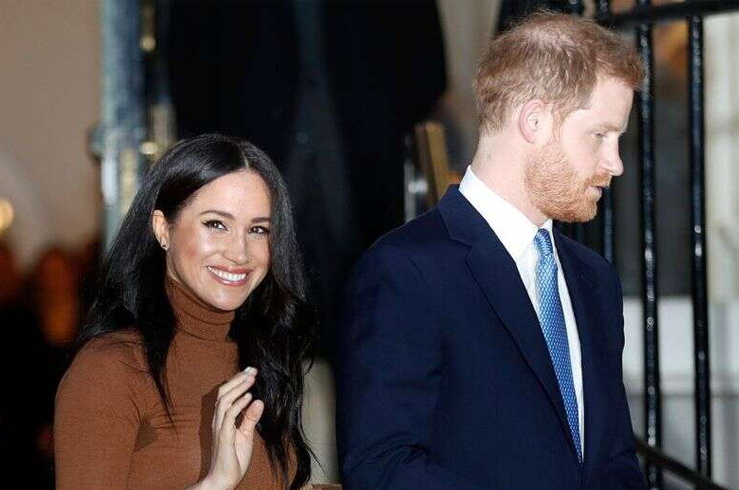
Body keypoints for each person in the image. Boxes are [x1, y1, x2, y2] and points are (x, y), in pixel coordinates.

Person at [336, 12, 647, 490]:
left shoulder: (593, 277)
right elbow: (382, 468)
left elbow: (615, 462)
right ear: (535, 121)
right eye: (600, 135)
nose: (616, 163)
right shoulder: (405, 270)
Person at [55, 134, 314, 490]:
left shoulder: (263, 362)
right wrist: (215, 483)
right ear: (163, 228)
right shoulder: (112, 368)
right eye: (216, 224)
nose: (240, 253)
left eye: (257, 230)